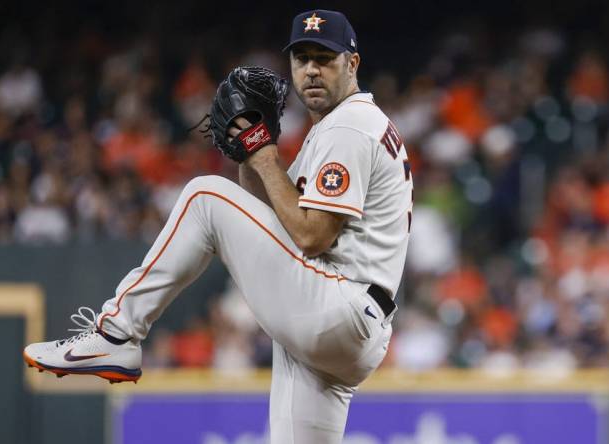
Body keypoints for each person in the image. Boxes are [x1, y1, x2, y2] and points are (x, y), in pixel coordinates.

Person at [23, 9, 413, 443]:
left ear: (352, 63)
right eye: (302, 59)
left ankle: (117, 333)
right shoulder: (340, 127)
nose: (312, 70)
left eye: (325, 57)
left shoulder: (351, 124)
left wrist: (263, 152)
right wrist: (253, 147)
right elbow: (270, 211)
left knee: (204, 196)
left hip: (337, 306)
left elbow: (310, 235)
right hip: (345, 325)